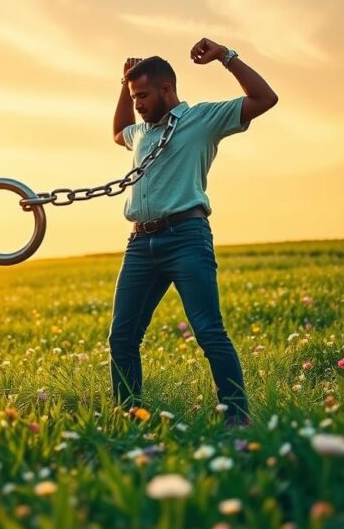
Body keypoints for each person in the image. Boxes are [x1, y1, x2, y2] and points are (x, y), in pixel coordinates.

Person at [109, 38, 278, 427]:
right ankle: (128, 417)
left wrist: (225, 56)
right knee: (122, 338)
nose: (138, 104)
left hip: (186, 237)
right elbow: (119, 131)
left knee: (209, 332)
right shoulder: (141, 133)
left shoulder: (203, 120)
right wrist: (123, 84)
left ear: (167, 89)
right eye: (135, 97)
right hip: (139, 244)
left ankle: (237, 419)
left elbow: (265, 98)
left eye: (144, 95)